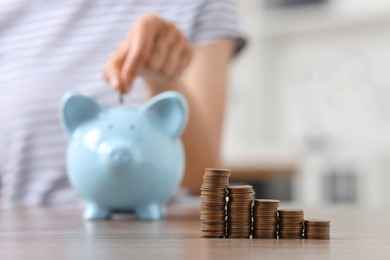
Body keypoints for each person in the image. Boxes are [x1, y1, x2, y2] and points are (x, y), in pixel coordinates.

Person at [0, 0, 245, 206]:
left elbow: (203, 179)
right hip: (32, 238)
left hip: (163, 238)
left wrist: (163, 82)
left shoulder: (201, 4)